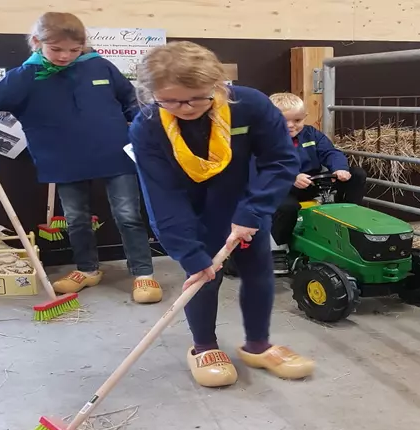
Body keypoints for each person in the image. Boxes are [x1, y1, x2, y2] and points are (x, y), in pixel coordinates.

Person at [129, 41, 315, 388]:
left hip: (244, 205)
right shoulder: (148, 125)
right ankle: (204, 346)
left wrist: (253, 210)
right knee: (201, 276)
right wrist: (189, 250)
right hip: (191, 212)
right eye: (170, 100)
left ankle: (257, 345)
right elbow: (162, 196)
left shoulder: (250, 105)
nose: (185, 108)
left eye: (197, 98)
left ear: (217, 85)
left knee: (258, 271)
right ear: (151, 93)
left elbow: (279, 161)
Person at [0, 12, 162, 304]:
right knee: (76, 219)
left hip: (115, 155)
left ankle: (142, 272)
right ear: (37, 42)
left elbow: (131, 101)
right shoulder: (24, 77)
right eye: (56, 49)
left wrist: (148, 135)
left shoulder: (99, 66)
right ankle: (87, 269)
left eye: (74, 50)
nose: (65, 56)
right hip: (63, 159)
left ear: (83, 46)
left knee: (128, 216)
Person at [269, 92, 367, 247]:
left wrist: (339, 169)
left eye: (297, 120)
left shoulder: (311, 134)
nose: (290, 125)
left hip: (311, 183)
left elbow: (330, 152)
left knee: (357, 174)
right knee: (287, 207)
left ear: (305, 117)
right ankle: (280, 246)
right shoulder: (266, 139)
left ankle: (347, 221)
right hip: (280, 188)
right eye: (283, 120)